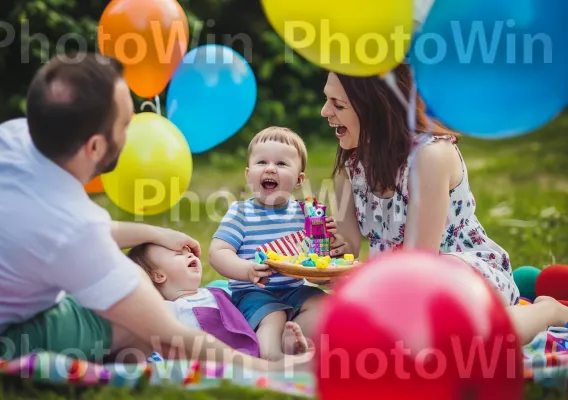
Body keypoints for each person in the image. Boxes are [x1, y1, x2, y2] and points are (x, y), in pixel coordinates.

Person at [0, 52, 311, 372]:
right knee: (136, 321)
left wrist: (156, 234)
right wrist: (269, 370)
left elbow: (79, 229)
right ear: (96, 147)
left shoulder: (9, 139)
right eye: (123, 122)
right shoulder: (73, 229)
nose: (133, 128)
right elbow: (168, 336)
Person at [320, 62, 568, 345]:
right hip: (396, 289)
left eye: (338, 105)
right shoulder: (351, 167)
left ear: (376, 107)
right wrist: (325, 255)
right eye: (327, 100)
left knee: (450, 331)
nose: (324, 112)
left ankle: (548, 311)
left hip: (458, 276)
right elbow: (347, 251)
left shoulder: (429, 157)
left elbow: (420, 264)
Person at [209, 127, 344, 361]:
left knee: (323, 303)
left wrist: (330, 243)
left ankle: (296, 343)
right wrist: (246, 270)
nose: (270, 168)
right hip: (254, 292)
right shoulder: (241, 213)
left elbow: (317, 256)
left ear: (299, 180)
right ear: (248, 174)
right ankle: (270, 357)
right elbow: (218, 252)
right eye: (262, 162)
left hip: (295, 289)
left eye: (281, 164)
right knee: (274, 315)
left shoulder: (306, 213)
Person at [127, 243, 261, 358]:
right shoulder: (168, 309)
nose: (191, 255)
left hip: (251, 355)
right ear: (159, 275)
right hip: (206, 366)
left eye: (189, 252)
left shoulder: (221, 290)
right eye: (179, 254)